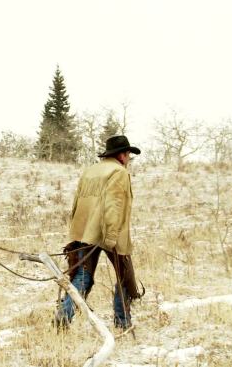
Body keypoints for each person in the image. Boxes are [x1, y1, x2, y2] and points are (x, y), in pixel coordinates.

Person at [54, 135, 143, 331]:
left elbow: (76, 202)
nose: (129, 159)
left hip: (84, 231)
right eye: (128, 154)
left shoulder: (90, 171)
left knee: (83, 277)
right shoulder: (119, 172)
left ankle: (64, 315)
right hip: (110, 234)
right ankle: (122, 323)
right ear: (122, 155)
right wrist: (111, 236)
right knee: (125, 277)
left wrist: (76, 231)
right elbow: (114, 205)